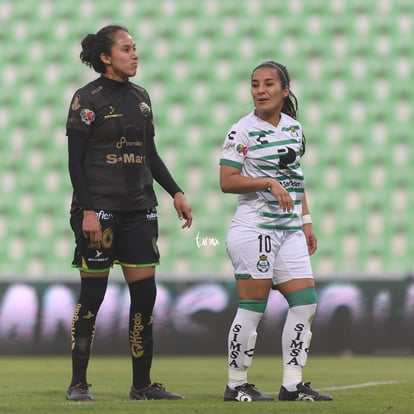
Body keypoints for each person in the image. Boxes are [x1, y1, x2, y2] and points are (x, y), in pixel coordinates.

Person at [65, 25, 192, 402]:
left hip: (140, 209)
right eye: (126, 49)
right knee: (93, 294)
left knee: (144, 297)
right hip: (99, 210)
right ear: (106, 57)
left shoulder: (141, 97)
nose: (134, 54)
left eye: (135, 48)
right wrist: (88, 210)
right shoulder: (86, 99)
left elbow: (149, 154)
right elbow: (74, 163)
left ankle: (142, 385)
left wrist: (176, 191)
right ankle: (78, 383)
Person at [219, 61, 332, 402]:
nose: (260, 90)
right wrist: (267, 181)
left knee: (304, 304)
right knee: (253, 307)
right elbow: (227, 182)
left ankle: (292, 385)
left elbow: (295, 181)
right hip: (255, 230)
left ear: (285, 90)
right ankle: (236, 384)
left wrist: (306, 222)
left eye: (269, 84)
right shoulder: (242, 130)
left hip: (289, 231)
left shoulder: (294, 129)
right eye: (255, 84)